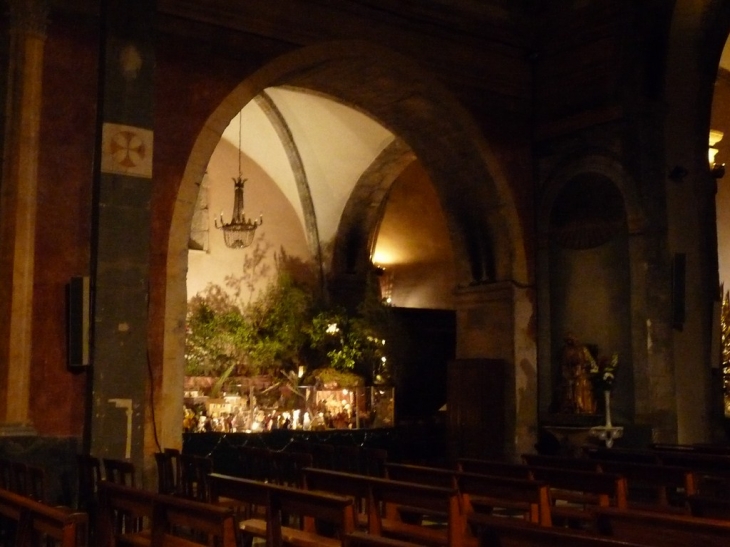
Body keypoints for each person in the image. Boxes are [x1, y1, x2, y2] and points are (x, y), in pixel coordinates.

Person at [559, 332, 595, 414]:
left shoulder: (583, 350)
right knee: (567, 387)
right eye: (568, 341)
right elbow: (563, 365)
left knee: (580, 384)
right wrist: (568, 373)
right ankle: (569, 407)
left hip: (582, 374)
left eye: (572, 340)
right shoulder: (565, 351)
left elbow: (591, 364)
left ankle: (581, 407)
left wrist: (582, 368)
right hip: (569, 375)